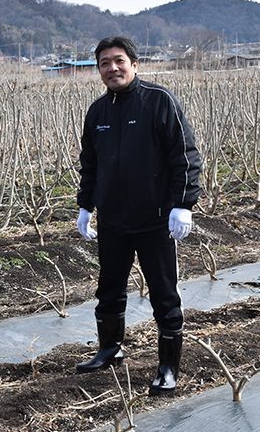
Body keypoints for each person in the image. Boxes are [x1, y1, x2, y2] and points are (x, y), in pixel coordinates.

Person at [75, 36, 202, 395]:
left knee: (164, 294)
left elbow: (185, 156)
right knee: (109, 290)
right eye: (104, 63)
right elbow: (91, 165)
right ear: (98, 70)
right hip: (113, 221)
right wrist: (86, 205)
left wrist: (182, 204)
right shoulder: (97, 113)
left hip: (155, 220)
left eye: (118, 61)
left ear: (134, 63)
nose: (112, 68)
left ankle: (167, 367)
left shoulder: (158, 101)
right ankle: (110, 349)